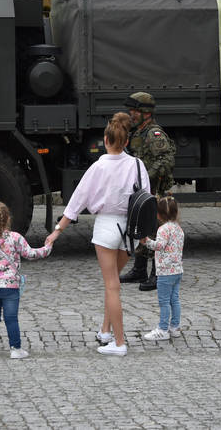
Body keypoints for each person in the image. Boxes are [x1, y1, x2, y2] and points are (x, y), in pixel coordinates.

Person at [45, 112, 149, 356]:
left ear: (105, 139)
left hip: (106, 227)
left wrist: (57, 231)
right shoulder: (137, 164)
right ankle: (105, 330)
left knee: (111, 285)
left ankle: (120, 343)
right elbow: (146, 199)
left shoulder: (98, 166)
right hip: (129, 229)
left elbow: (76, 202)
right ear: (126, 142)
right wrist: (144, 234)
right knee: (113, 282)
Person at [0, 202, 52, 359]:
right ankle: (15, 349)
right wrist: (47, 248)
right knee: (11, 318)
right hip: (11, 287)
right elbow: (31, 254)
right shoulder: (16, 238)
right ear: (8, 218)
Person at [119, 91, 176, 292]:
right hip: (144, 193)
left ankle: (157, 274)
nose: (131, 114)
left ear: (145, 113)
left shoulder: (154, 134)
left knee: (155, 232)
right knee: (141, 229)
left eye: (134, 111)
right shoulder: (137, 133)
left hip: (155, 192)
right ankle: (139, 269)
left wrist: (146, 176)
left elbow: (167, 160)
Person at [140, 196, 185, 341]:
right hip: (177, 270)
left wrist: (146, 241)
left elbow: (159, 246)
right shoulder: (179, 229)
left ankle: (163, 329)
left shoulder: (163, 229)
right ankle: (175, 327)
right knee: (175, 300)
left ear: (159, 215)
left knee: (164, 301)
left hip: (165, 272)